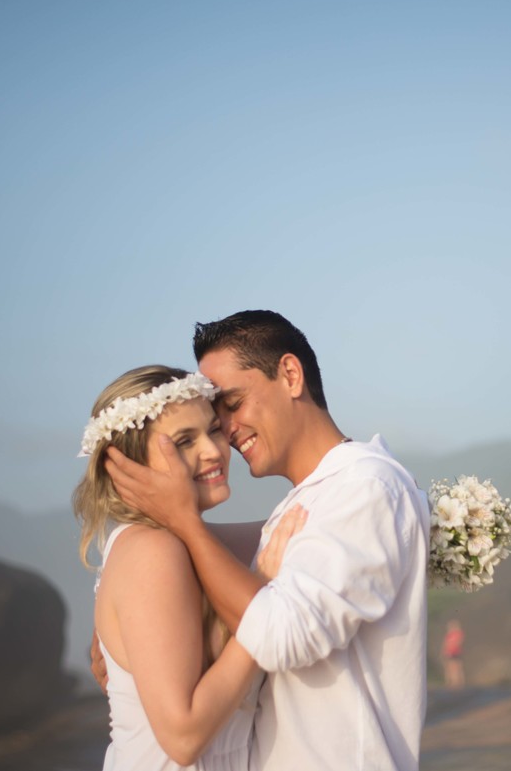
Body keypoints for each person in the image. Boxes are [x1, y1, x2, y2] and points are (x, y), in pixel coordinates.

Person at [105, 311, 429, 771]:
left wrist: (185, 524)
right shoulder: (312, 503)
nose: (224, 434)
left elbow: (278, 637)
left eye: (232, 404)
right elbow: (171, 562)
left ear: (291, 376)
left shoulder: (365, 487)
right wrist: (126, 614)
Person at [74, 364, 305, 771]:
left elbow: (315, 524)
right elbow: (183, 738)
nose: (214, 451)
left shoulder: (186, 544)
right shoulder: (152, 552)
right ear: (129, 464)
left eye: (213, 430)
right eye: (184, 441)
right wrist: (260, 606)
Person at [440, 619, 465, 688]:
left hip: (455, 651)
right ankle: (450, 682)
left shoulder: (459, 634)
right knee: (449, 667)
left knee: (456, 667)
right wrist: (444, 651)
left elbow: (459, 642)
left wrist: (453, 646)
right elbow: (445, 643)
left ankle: (457, 682)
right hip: (449, 652)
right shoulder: (448, 635)